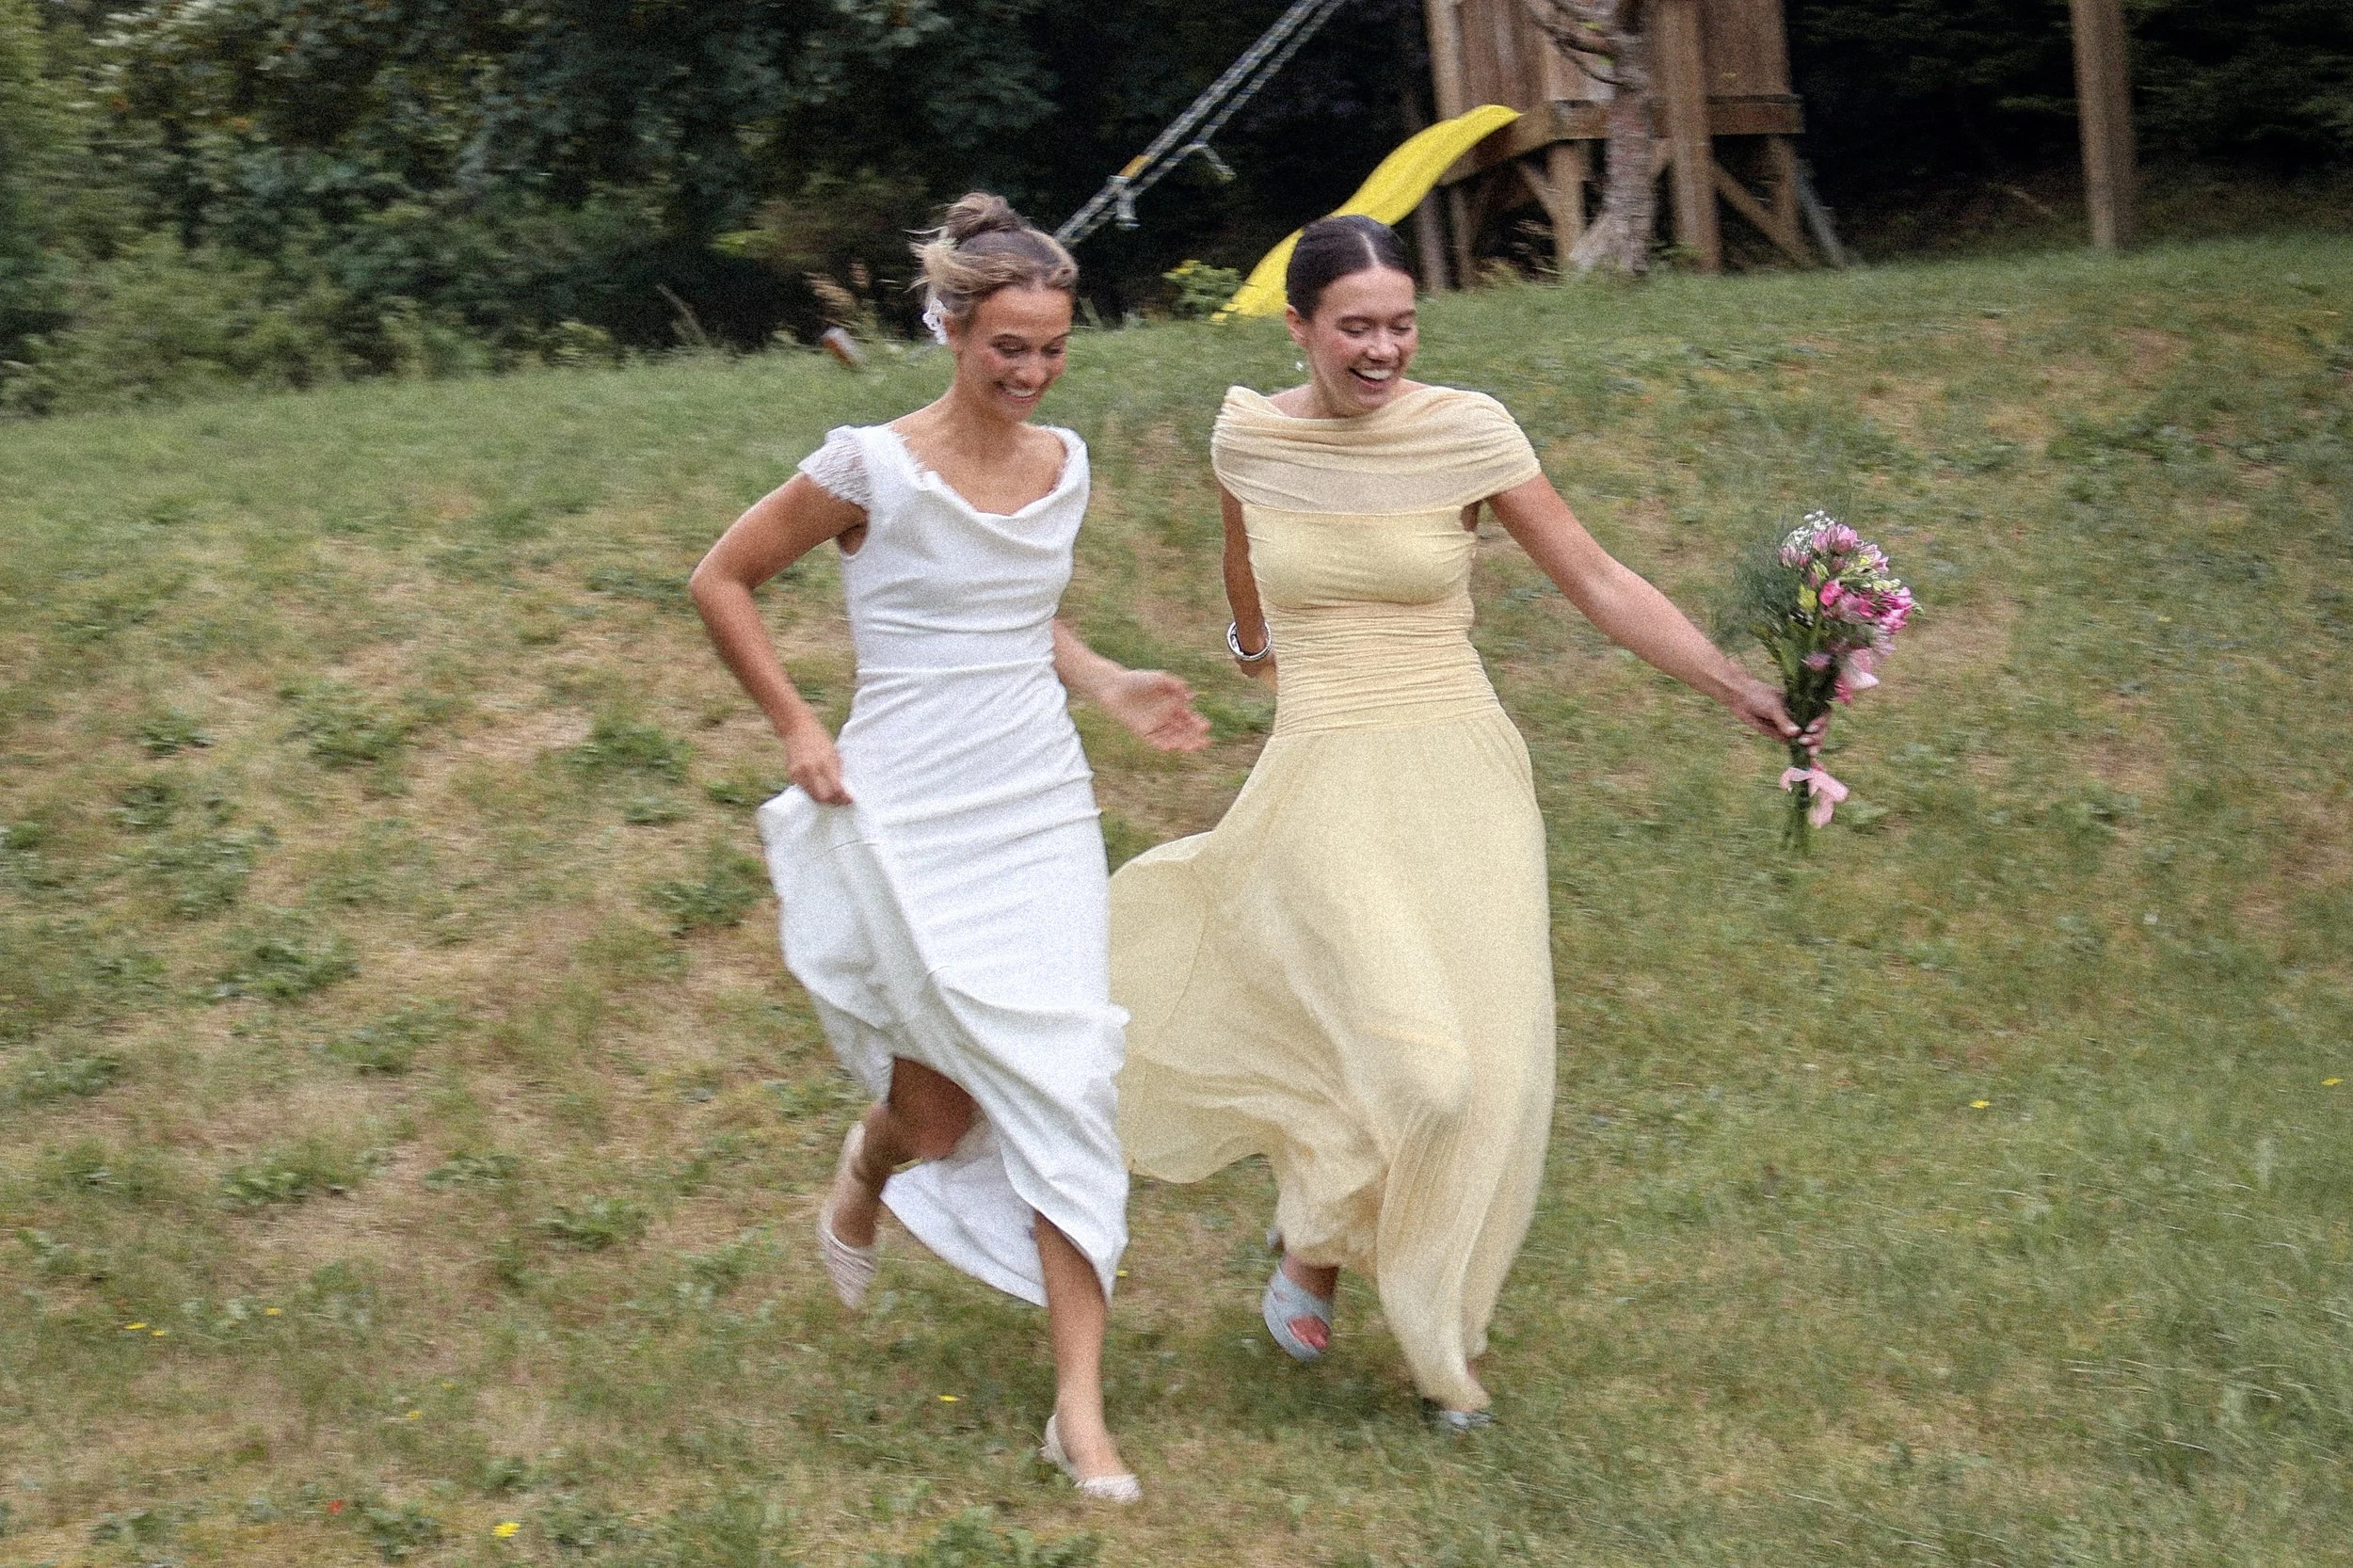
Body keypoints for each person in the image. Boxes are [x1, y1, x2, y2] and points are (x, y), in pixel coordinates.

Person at [1108, 215, 1815, 1428]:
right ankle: (1350, 1256)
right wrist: (1252, 656)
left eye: (1400, 323)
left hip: (1463, 775)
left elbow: (1596, 579)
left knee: (1481, 1071)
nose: (1381, 350)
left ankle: (1422, 1325)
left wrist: (1734, 682)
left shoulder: (1469, 432)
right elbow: (1246, 579)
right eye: (1355, 327)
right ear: (1300, 326)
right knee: (1414, 1071)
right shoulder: (1247, 437)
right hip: (1329, 767)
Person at [690, 193, 1209, 1501]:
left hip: (1034, 801)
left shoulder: (1068, 463)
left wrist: (1109, 683)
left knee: (1068, 1080)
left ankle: (1079, 1416)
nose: (1032, 374)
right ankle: (869, 1166)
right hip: (910, 805)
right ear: (952, 328)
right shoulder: (868, 464)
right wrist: (801, 721)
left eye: (1053, 348)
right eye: (1008, 350)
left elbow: (1021, 613)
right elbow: (722, 578)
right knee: (935, 1111)